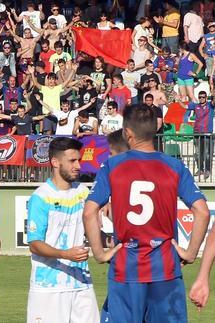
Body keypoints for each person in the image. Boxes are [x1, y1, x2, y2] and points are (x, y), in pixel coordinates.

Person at [83, 104, 211, 323]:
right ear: (155, 130)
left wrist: (100, 253)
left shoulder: (112, 166)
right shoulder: (175, 166)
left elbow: (89, 212)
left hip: (126, 268)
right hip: (165, 270)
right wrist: (190, 253)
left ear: (127, 133)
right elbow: (202, 211)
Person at [26, 137, 99, 323]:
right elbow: (34, 244)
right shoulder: (41, 197)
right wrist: (65, 254)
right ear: (55, 162)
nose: (78, 166)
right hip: (49, 286)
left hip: (81, 283)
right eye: (72, 161)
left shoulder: (83, 192)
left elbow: (95, 232)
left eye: (79, 160)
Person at [187, 90, 214, 179]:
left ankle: (207, 170)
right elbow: (185, 106)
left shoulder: (210, 105)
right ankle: (200, 169)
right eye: (200, 97)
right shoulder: (195, 106)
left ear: (206, 98)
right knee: (198, 153)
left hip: (207, 133)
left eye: (203, 97)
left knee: (207, 153)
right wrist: (178, 100)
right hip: (197, 133)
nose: (201, 98)